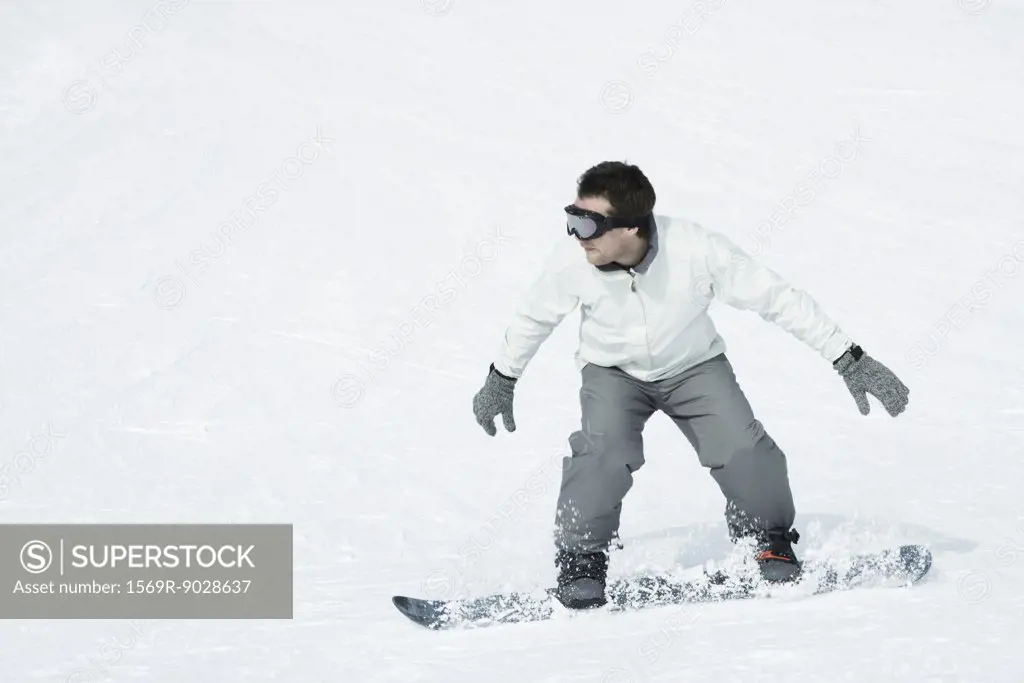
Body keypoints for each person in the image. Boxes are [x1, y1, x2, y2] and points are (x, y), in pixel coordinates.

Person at [471, 161, 910, 610]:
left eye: (588, 223)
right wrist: (501, 378)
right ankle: (581, 559)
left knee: (744, 448)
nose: (576, 234)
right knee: (603, 452)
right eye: (571, 218)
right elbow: (533, 319)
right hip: (612, 373)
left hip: (694, 367)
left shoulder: (695, 250)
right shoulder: (573, 262)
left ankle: (767, 539)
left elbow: (777, 297)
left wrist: (849, 359)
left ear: (631, 227)